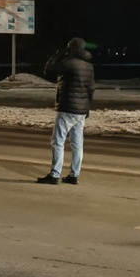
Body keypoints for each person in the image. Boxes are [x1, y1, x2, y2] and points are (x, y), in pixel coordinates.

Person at [37, 37, 95, 185]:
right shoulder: (88, 66)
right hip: (81, 110)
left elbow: (48, 70)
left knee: (58, 142)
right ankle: (74, 174)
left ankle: (55, 174)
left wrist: (58, 55)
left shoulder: (69, 63)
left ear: (71, 48)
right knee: (77, 144)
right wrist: (86, 108)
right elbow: (90, 89)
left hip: (67, 108)